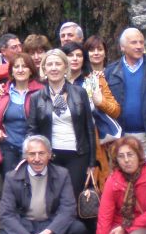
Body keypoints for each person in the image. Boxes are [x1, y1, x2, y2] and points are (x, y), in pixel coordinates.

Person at [0, 135, 87, 234]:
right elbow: (6, 215)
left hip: (50, 225)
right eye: (32, 154)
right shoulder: (12, 177)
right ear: (25, 156)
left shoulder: (62, 174)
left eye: (41, 153)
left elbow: (68, 209)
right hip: (26, 225)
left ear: (49, 155)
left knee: (78, 229)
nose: (37, 158)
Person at [26, 49, 96, 202]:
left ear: (65, 67)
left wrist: (92, 162)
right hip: (50, 155)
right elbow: (32, 130)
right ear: (44, 69)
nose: (54, 68)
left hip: (77, 155)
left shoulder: (80, 92)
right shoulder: (36, 98)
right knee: (51, 198)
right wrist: (29, 156)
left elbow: (89, 128)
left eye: (58, 64)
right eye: (49, 64)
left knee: (71, 197)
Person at [104, 27, 146, 150]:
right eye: (134, 42)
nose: (139, 46)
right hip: (119, 138)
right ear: (122, 47)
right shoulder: (110, 72)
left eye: (141, 42)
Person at [0, 53, 43, 178]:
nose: (20, 70)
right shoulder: (2, 92)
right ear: (11, 71)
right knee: (10, 185)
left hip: (34, 147)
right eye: (16, 67)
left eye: (24, 66)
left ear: (31, 71)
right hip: (8, 146)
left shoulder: (42, 91)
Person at [81, 35, 121, 192]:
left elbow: (116, 109)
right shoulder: (80, 77)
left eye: (100, 49)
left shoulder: (112, 74)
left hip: (106, 137)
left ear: (105, 52)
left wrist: (100, 102)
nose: (96, 53)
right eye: (91, 50)